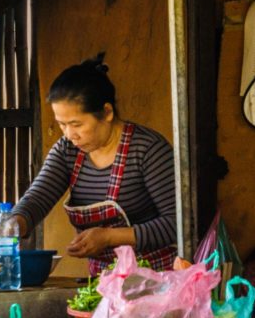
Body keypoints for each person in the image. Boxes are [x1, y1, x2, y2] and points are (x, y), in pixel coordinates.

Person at [11, 54, 178, 274]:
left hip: (158, 281)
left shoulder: (147, 149)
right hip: (104, 283)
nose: (70, 134)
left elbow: (177, 223)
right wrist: (14, 224)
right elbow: (37, 198)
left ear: (107, 112)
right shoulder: (67, 151)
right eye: (62, 125)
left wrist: (109, 237)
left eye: (76, 124)